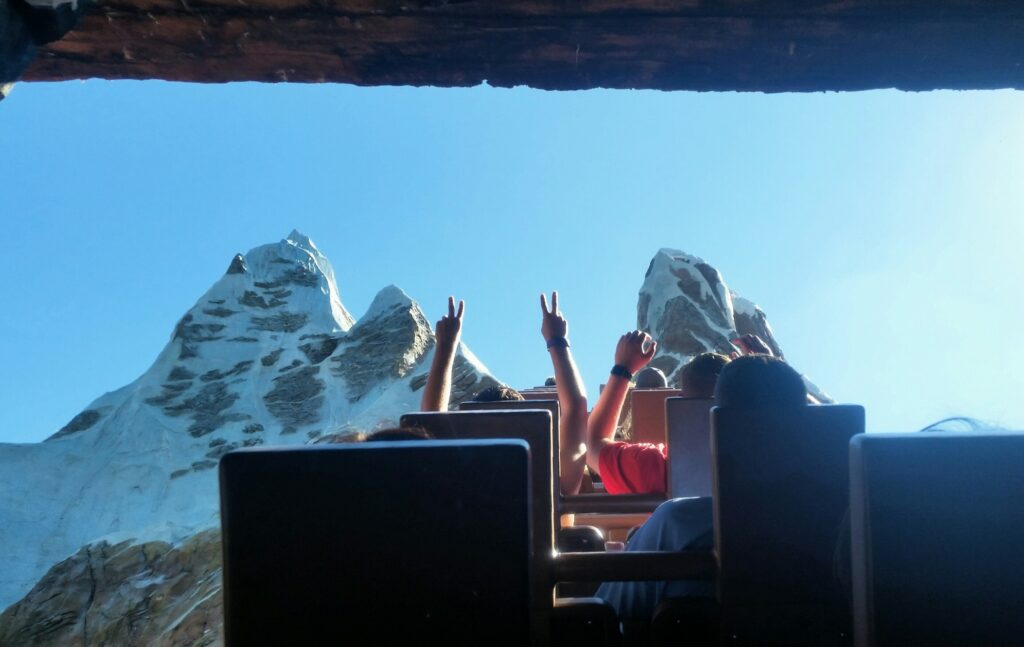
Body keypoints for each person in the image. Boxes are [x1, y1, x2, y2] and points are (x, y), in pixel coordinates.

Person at [595, 355, 810, 626]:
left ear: (713, 421)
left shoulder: (678, 520)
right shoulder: (849, 515)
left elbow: (605, 618)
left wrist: (622, 368)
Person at [418, 293, 589, 496]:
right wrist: (557, 340)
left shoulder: (455, 485)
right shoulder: (549, 488)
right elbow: (576, 409)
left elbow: (430, 421)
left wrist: (445, 345)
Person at [586, 336, 729, 494]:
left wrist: (623, 369)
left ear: (680, 404)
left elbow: (593, 444)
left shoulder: (656, 465)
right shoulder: (759, 459)